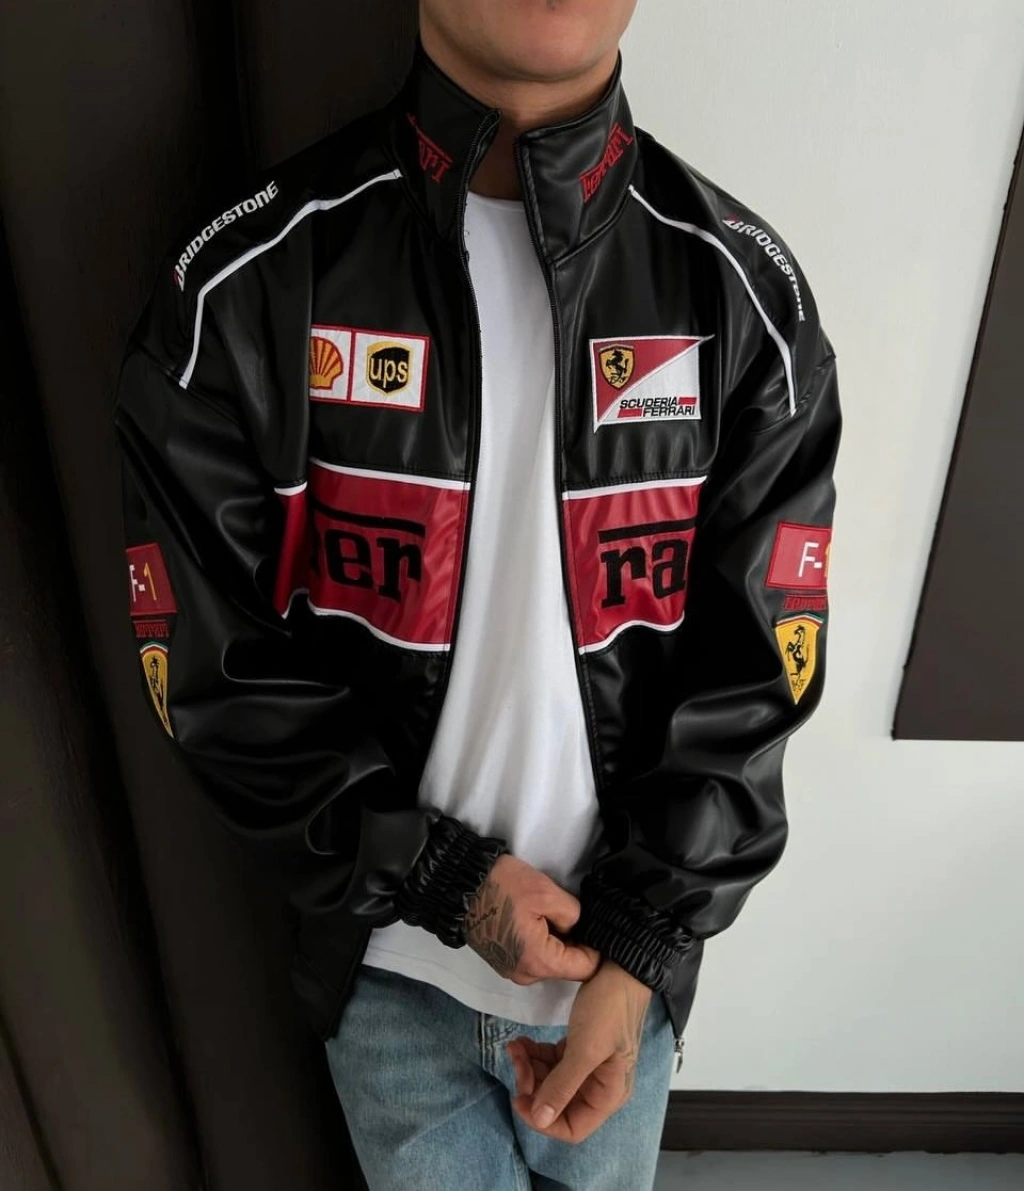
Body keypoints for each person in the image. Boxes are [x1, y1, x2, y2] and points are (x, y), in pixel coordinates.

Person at [114, 1, 841, 1186]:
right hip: (388, 977)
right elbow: (210, 671)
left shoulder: (743, 291)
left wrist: (642, 942)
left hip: (622, 989)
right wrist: (442, 881)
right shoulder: (241, 286)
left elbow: (759, 672)